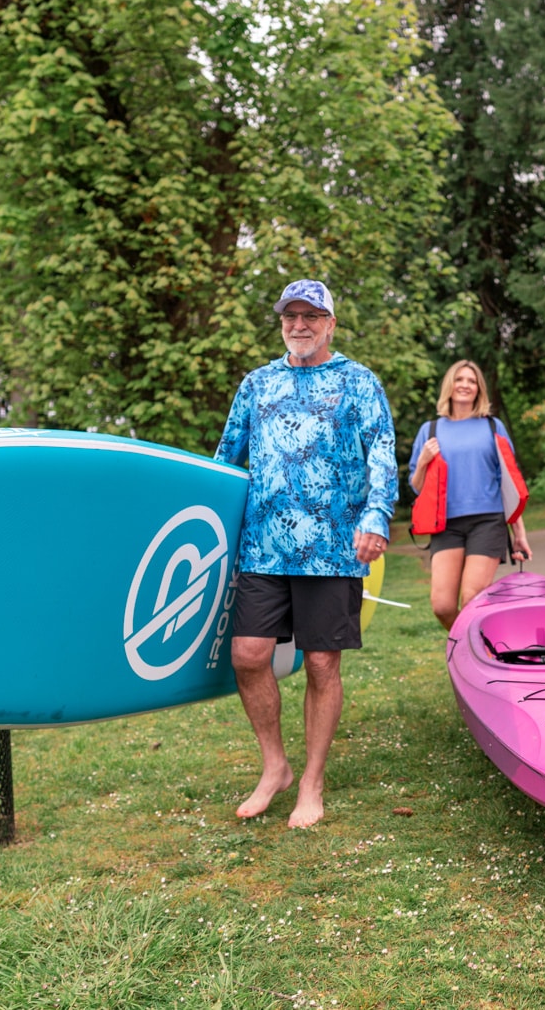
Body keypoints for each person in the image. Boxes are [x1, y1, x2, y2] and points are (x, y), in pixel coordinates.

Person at [215, 279, 397, 828]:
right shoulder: (257, 384)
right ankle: (276, 766)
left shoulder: (358, 382)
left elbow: (382, 453)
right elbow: (227, 457)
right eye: (290, 316)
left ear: (330, 324)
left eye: (310, 316)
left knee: (322, 662)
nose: (299, 325)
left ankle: (311, 781)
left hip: (332, 548)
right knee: (248, 655)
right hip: (262, 548)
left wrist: (376, 515)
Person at [408, 360, 533, 628]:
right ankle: (473, 650)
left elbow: (508, 484)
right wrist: (422, 462)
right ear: (449, 386)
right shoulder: (429, 430)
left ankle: (477, 656)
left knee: (472, 597)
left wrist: (519, 534)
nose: (465, 385)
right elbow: (417, 487)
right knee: (442, 605)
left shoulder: (492, 426)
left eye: (472, 381)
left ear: (479, 390)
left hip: (487, 521)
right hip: (446, 525)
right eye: (460, 379)